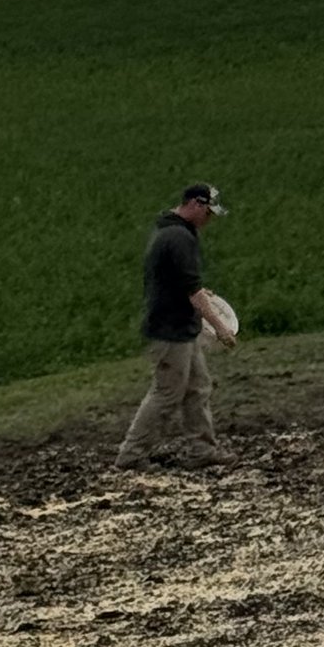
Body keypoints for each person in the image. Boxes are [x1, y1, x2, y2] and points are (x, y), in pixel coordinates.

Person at [121, 182, 230, 455]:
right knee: (167, 394)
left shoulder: (172, 232)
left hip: (182, 327)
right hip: (170, 330)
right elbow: (192, 290)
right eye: (208, 213)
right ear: (196, 204)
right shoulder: (179, 237)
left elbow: (180, 283)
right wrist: (221, 327)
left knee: (198, 387)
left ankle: (202, 449)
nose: (209, 220)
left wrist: (202, 296)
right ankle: (132, 453)